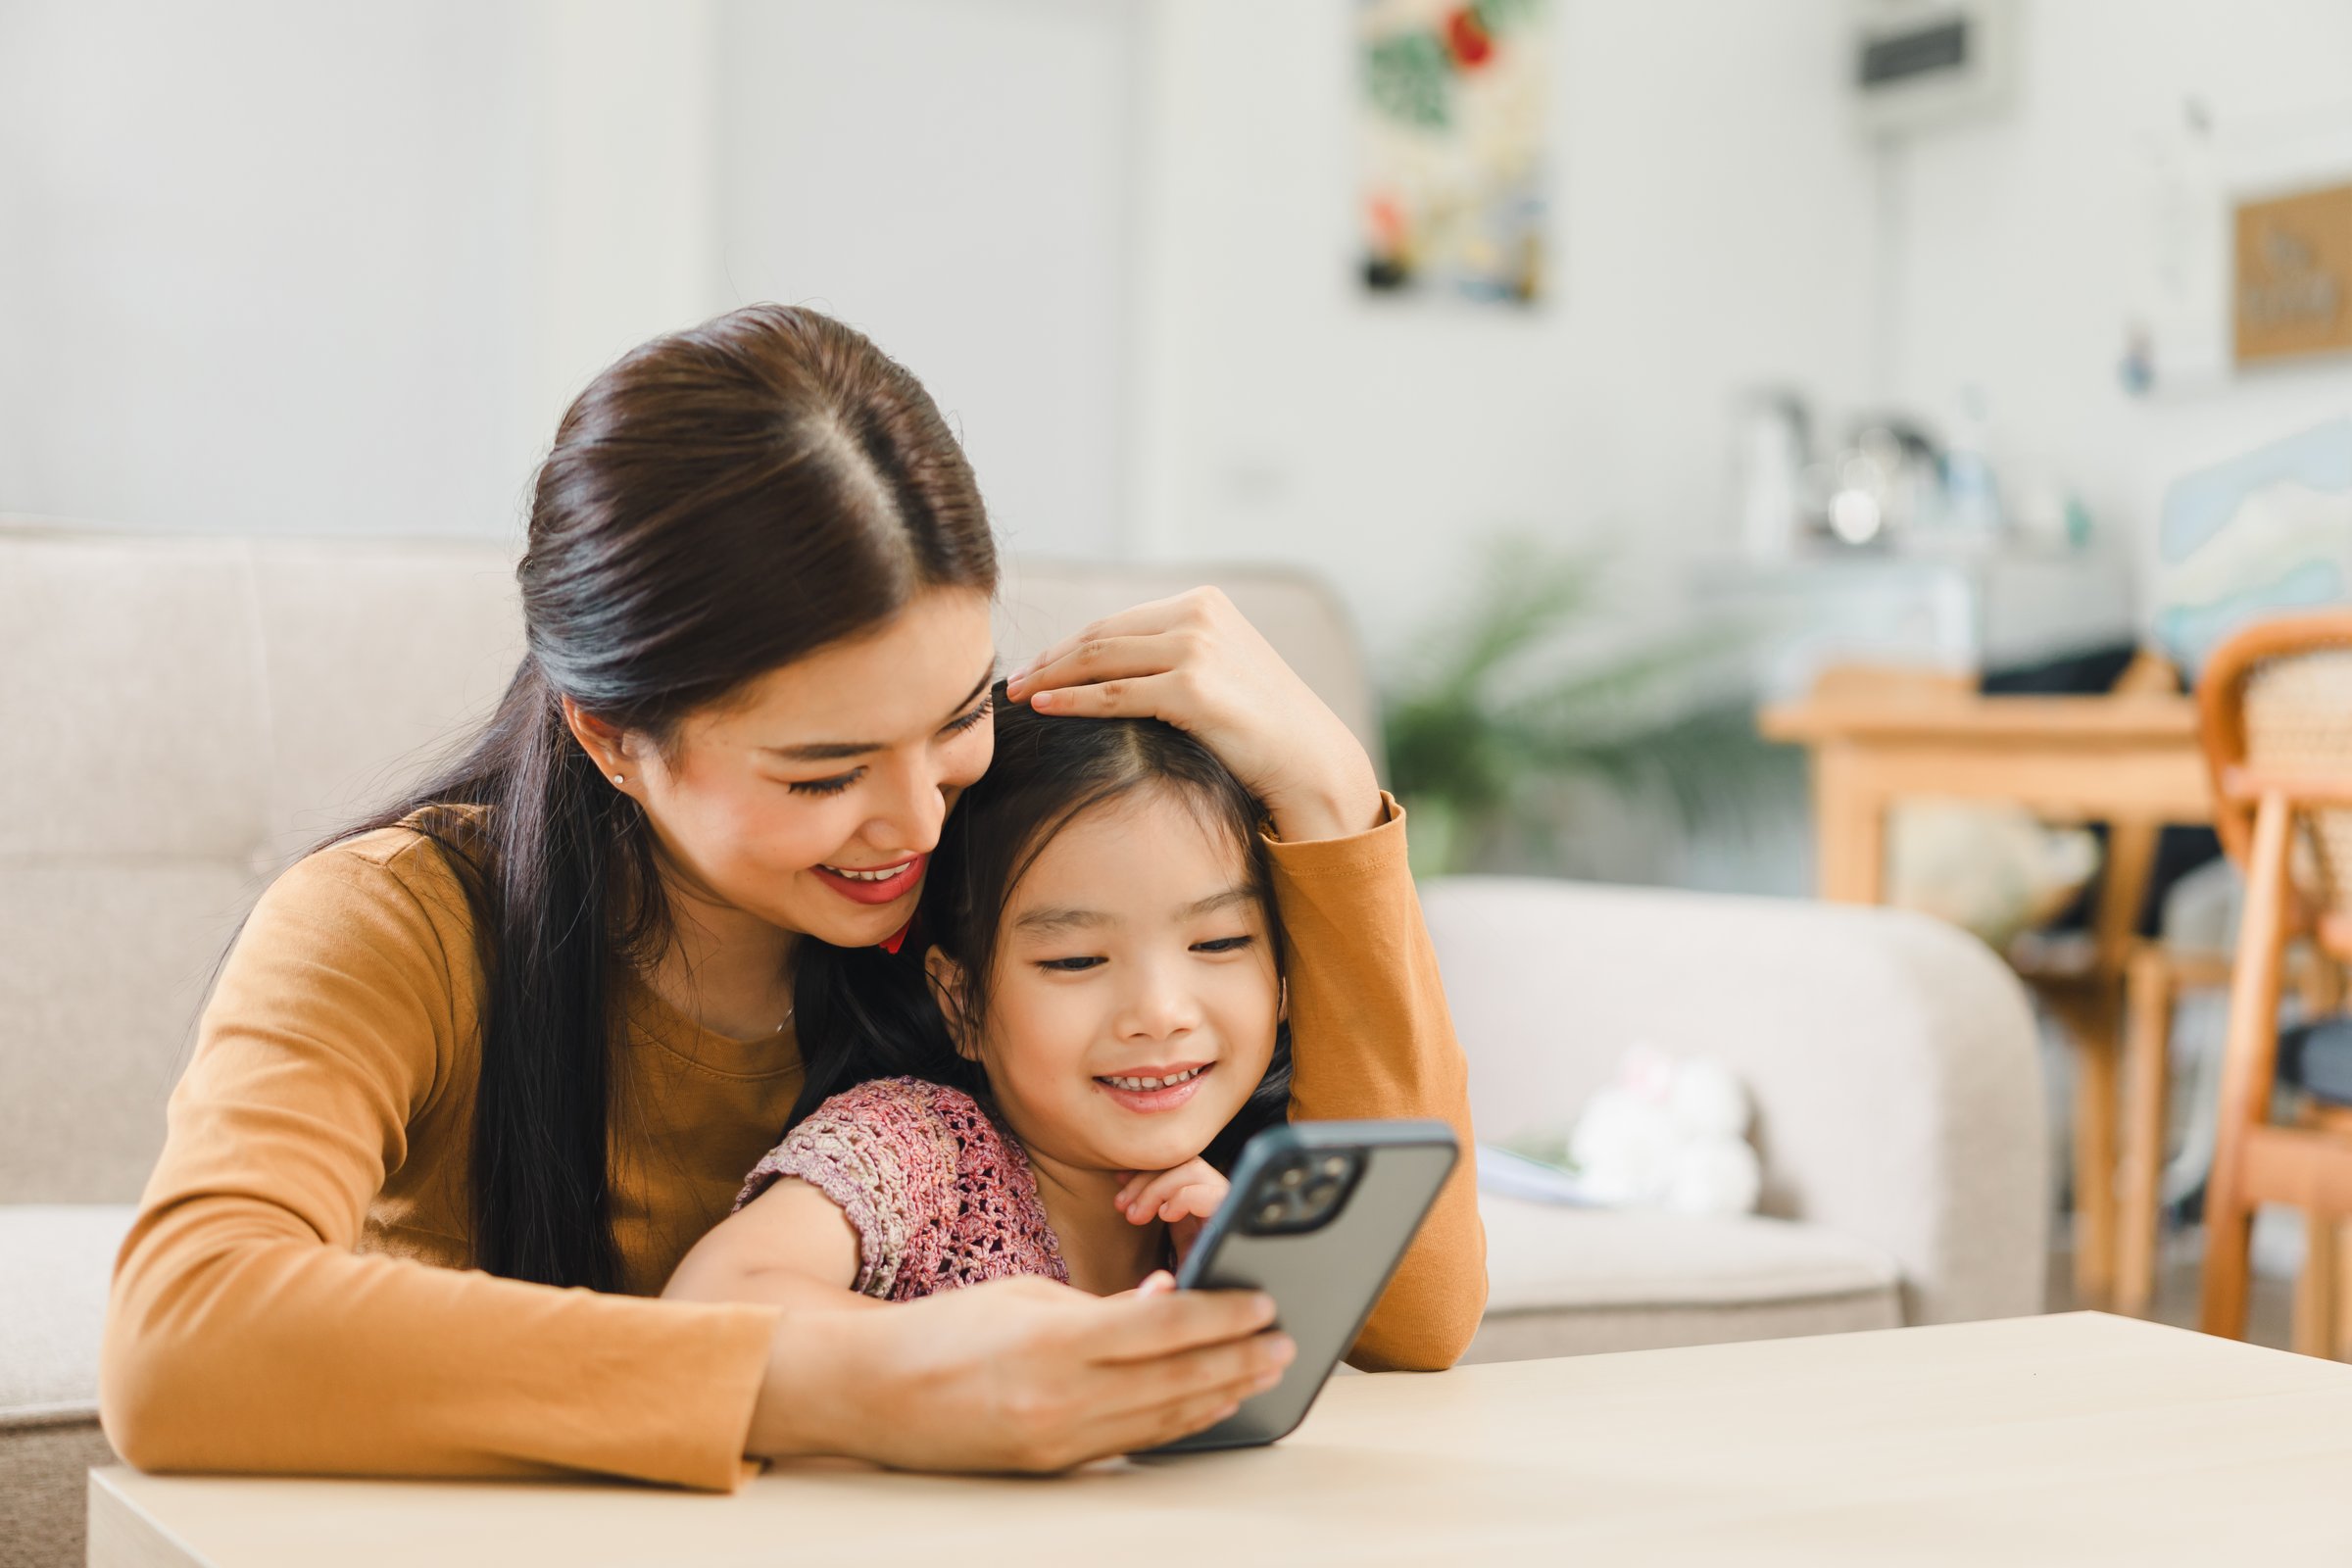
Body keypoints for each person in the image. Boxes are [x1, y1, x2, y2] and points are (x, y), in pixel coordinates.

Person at [100, 305, 1483, 1492]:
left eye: (954, 718)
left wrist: (1333, 797)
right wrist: (848, 1381)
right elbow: (179, 1339)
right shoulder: (400, 923)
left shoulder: (987, 901)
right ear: (612, 739)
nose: (917, 818)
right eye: (823, 771)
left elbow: (1416, 1315)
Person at [665, 690, 1302, 1321]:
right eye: (1076, 960)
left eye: (1219, 942)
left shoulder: (1249, 1190)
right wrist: (998, 1350)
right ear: (963, 1002)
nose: (1162, 1013)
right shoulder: (923, 1148)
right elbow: (712, 1303)